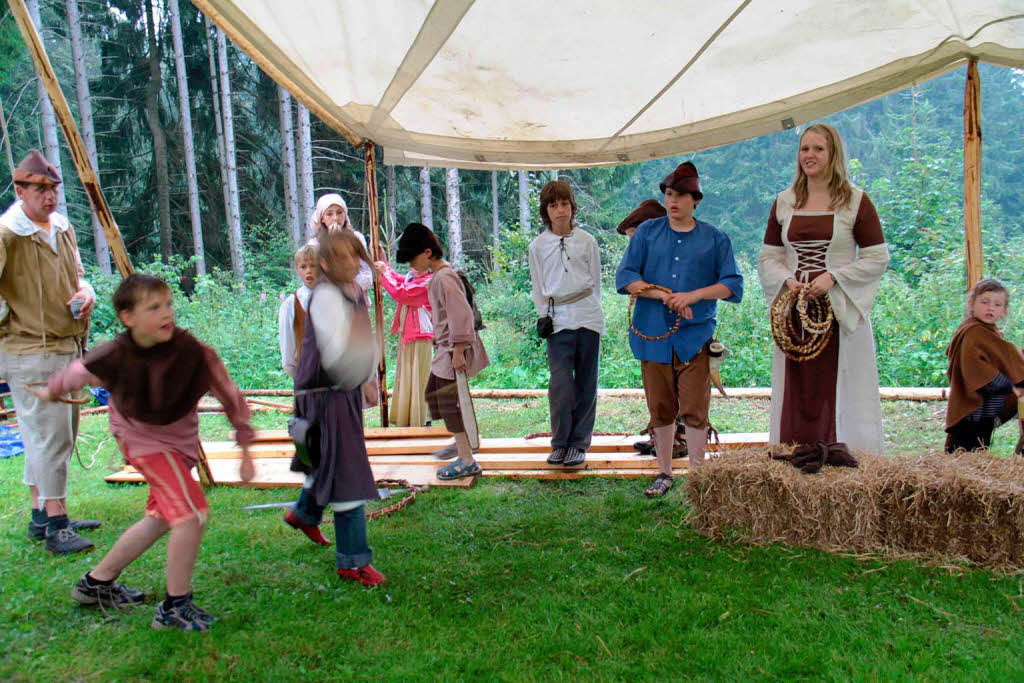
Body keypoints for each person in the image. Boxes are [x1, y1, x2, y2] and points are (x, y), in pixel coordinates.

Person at [32, 273, 255, 630]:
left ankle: (96, 583)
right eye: (154, 307)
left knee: (164, 516)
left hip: (177, 444)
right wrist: (51, 389)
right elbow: (80, 370)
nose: (166, 313)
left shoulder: (191, 351)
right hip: (143, 442)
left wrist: (242, 434)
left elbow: (225, 388)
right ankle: (174, 608)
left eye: (168, 304)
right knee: (191, 514)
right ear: (128, 317)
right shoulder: (117, 352)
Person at [757, 123, 889, 456]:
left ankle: (840, 450)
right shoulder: (784, 202)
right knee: (796, 384)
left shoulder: (855, 201)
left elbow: (877, 257)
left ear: (833, 155)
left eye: (818, 149)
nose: (810, 156)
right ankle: (795, 451)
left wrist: (833, 277)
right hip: (795, 312)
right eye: (804, 149)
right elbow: (768, 257)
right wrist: (788, 281)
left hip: (838, 310)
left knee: (839, 383)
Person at [616, 162, 743, 496]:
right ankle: (665, 472)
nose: (674, 201)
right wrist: (666, 296)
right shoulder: (646, 233)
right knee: (660, 407)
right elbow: (626, 277)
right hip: (652, 332)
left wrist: (694, 295)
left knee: (695, 408)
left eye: (681, 196)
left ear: (695, 200)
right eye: (669, 194)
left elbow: (732, 284)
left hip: (694, 335)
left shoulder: (714, 239)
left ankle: (698, 475)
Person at [0, 149, 100, 554]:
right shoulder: (7, 232)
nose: (49, 196)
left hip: (66, 344)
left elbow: (78, 275)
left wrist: (87, 291)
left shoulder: (61, 227)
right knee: (49, 436)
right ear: (20, 190)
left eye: (53, 188)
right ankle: (57, 524)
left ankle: (42, 515)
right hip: (28, 349)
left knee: (56, 433)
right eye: (40, 189)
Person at [283, 229, 386, 587]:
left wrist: (367, 378)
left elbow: (359, 343)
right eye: (342, 257)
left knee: (328, 460)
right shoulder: (326, 296)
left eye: (355, 255)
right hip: (325, 394)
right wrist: (362, 377)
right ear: (325, 263)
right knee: (345, 473)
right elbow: (335, 354)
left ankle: (304, 513)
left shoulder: (351, 290)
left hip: (341, 391)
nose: (351, 262)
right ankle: (353, 561)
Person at [395, 223, 489, 480]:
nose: (412, 267)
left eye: (413, 260)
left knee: (448, 401)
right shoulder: (438, 276)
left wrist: (459, 350)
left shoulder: (445, 278)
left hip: (455, 348)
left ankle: (467, 459)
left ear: (427, 252)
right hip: (445, 347)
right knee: (434, 394)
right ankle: (460, 440)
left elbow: (462, 315)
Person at [528, 180, 604, 466]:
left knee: (586, 381)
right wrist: (543, 316)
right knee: (560, 383)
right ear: (545, 210)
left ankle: (579, 443)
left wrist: (591, 310)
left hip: (586, 313)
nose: (560, 210)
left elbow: (595, 281)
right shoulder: (537, 246)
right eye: (553, 205)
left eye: (564, 204)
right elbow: (538, 285)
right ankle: (560, 442)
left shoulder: (587, 241)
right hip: (556, 317)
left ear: (572, 207)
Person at [616, 199, 686, 457]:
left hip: (680, 327)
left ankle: (680, 437)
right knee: (656, 385)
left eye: (637, 237)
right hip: (651, 326)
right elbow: (627, 279)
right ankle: (661, 434)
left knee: (681, 384)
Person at [944, 279, 1024, 452]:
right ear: (972, 304)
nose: (990, 308)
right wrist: (1011, 387)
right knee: (968, 445)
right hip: (976, 404)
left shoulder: (986, 330)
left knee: (979, 442)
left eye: (997, 304)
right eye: (985, 302)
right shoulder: (975, 331)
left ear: (1004, 310)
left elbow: (1004, 356)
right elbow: (978, 369)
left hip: (985, 402)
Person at [372, 257, 433, 427]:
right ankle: (409, 418)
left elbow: (402, 293)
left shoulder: (428, 282)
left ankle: (420, 418)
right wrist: (386, 268)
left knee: (418, 377)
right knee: (407, 377)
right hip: (410, 335)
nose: (415, 269)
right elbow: (399, 280)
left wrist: (385, 272)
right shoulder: (415, 278)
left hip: (420, 337)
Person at [278, 243, 319, 378]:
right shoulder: (291, 304)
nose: (309, 271)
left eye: (313, 266)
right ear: (297, 269)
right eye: (303, 267)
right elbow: (287, 345)